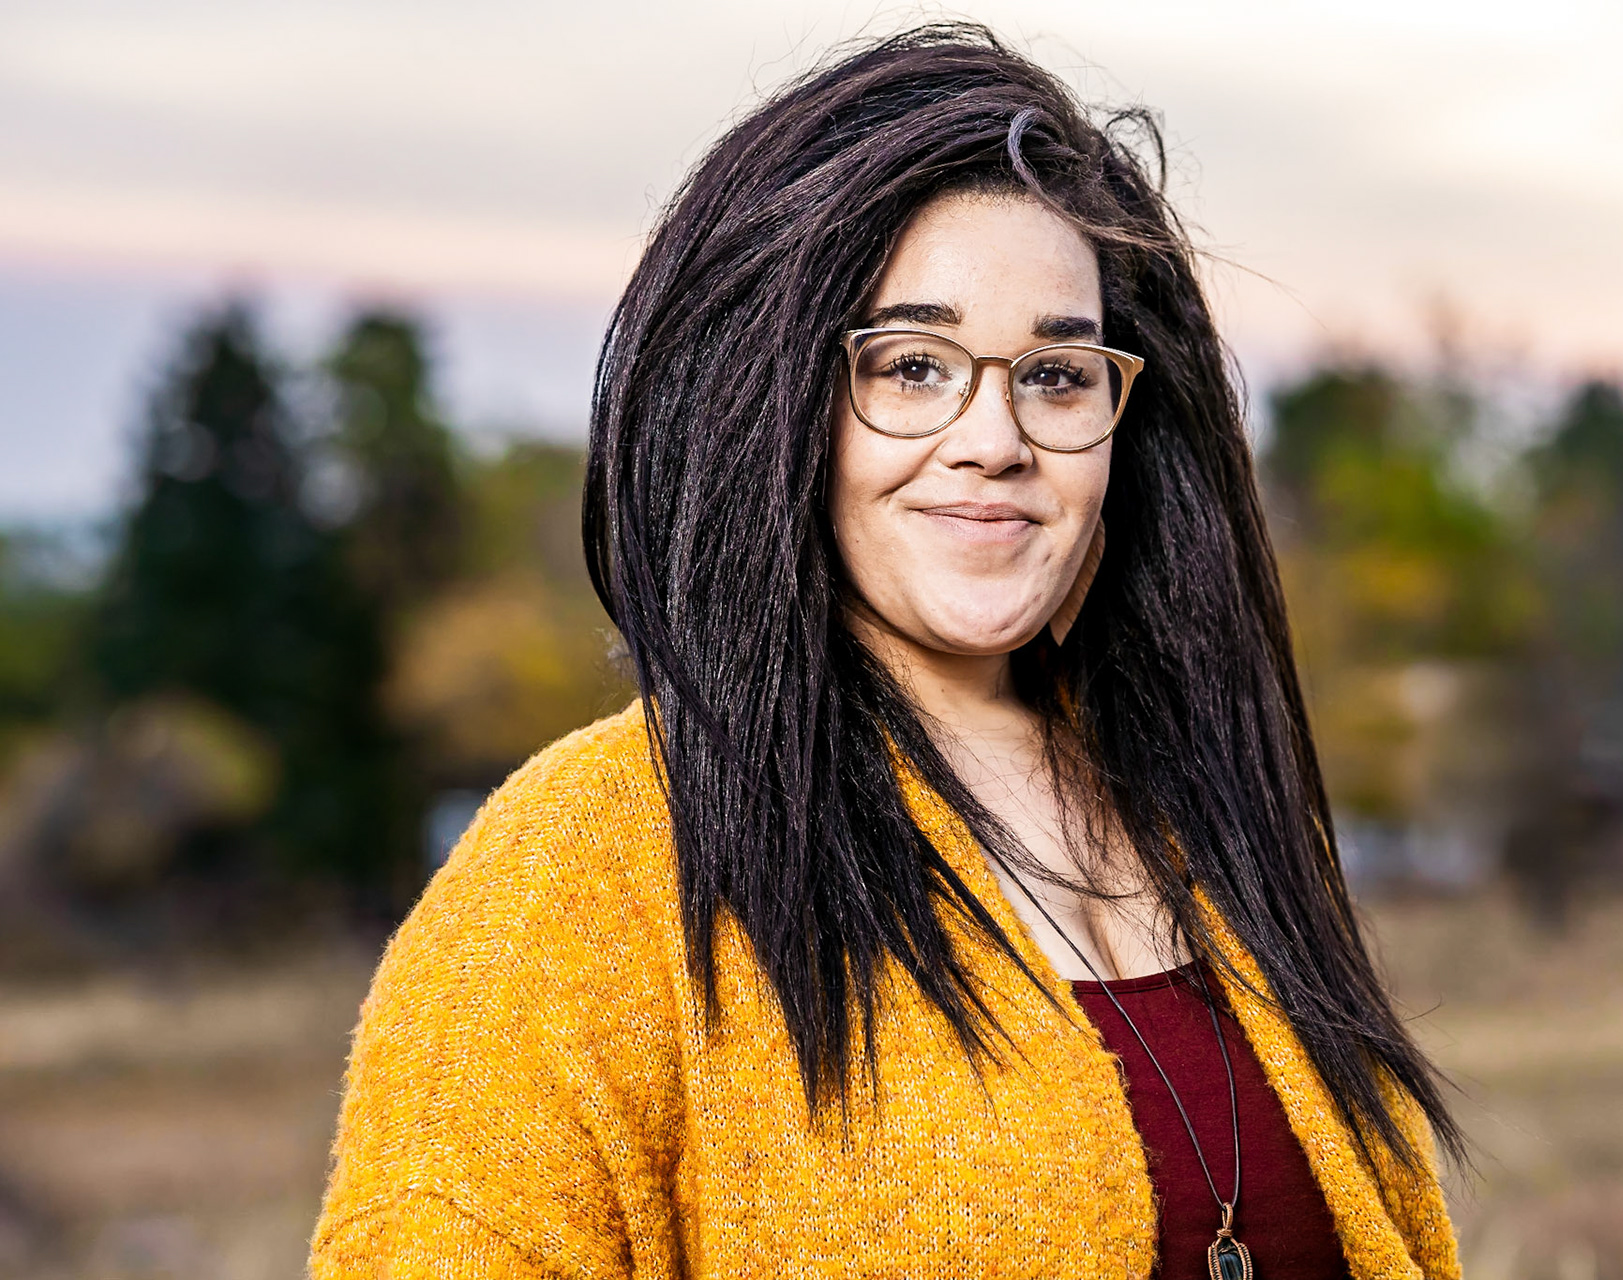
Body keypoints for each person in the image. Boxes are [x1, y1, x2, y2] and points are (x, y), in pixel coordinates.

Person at [311, 24, 1463, 1280]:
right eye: (912, 365)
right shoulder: (583, 866)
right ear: (778, 401)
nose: (995, 437)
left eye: (1059, 374)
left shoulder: (1212, 811)